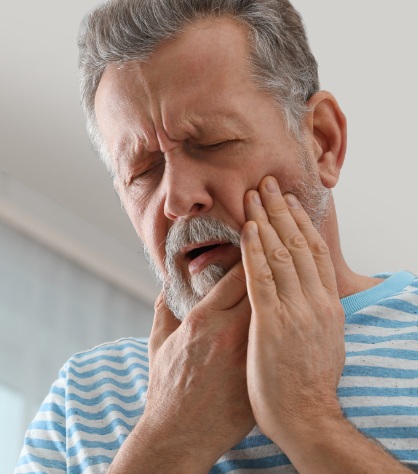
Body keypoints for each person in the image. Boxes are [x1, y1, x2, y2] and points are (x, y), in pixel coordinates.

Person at [16, 0, 418, 472]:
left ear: (323, 142)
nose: (178, 198)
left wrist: (309, 419)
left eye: (213, 143)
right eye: (143, 171)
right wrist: (170, 437)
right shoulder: (82, 396)